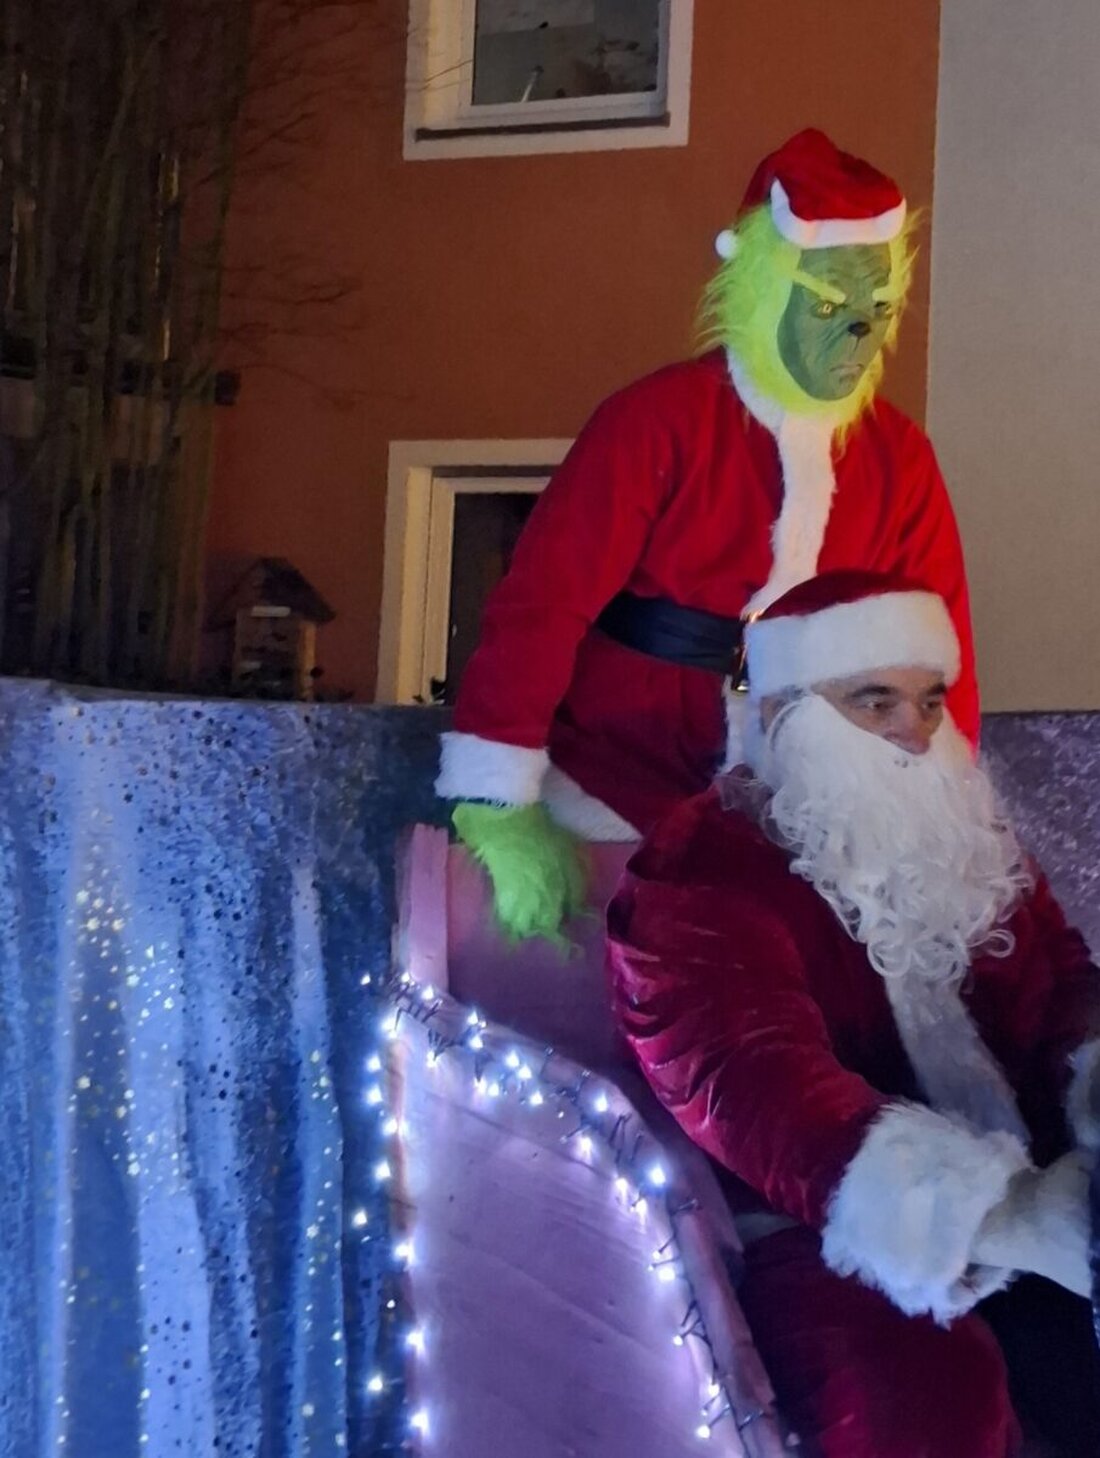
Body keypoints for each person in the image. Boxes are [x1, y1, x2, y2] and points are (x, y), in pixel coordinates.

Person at [436, 129, 980, 943]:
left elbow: (943, 650)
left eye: (880, 309)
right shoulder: (655, 423)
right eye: (832, 305)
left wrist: (942, 806)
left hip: (815, 798)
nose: (860, 338)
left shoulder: (899, 455)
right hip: (622, 775)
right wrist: (495, 796)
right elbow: (541, 607)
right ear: (767, 288)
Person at [606, 570, 1100, 1458]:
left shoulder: (964, 836)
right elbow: (757, 1089)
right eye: (876, 703)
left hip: (1042, 1190)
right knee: (924, 1395)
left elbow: (1063, 987)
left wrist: (1094, 1081)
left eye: (930, 701)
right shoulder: (701, 870)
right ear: (788, 712)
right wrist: (1012, 1217)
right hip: (822, 1228)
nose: (916, 736)